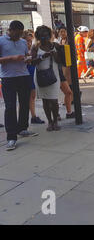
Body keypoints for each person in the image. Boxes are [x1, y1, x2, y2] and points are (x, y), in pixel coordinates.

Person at [0, 21, 38, 150]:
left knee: (24, 103)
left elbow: (26, 55)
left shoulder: (22, 42)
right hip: (8, 78)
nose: (19, 36)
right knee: (10, 107)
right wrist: (12, 58)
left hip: (23, 76)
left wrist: (28, 58)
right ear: (11, 30)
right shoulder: (1, 41)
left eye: (21, 33)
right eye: (17, 33)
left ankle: (22, 128)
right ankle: (11, 137)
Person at [31, 26, 62, 132]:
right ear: (38, 36)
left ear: (50, 35)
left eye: (46, 35)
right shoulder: (35, 47)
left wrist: (55, 55)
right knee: (45, 100)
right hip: (40, 76)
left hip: (53, 76)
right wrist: (42, 57)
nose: (45, 38)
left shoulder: (55, 45)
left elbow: (60, 61)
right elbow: (32, 62)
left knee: (54, 100)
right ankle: (50, 122)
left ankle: (56, 121)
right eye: (42, 36)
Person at [23, 30, 45, 125]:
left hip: (32, 73)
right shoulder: (22, 51)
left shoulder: (31, 50)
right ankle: (28, 117)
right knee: (25, 98)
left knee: (32, 96)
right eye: (27, 41)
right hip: (25, 75)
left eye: (30, 41)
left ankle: (33, 116)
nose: (29, 43)